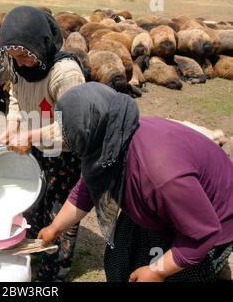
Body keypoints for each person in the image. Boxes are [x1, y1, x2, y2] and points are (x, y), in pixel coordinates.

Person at [39, 82, 233, 282]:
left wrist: (158, 271)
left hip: (208, 220)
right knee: (121, 261)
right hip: (168, 203)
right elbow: (87, 188)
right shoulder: (114, 138)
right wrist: (55, 228)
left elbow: (202, 233)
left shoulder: (160, 176)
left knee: (178, 276)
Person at [0, 5, 85, 281]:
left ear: (40, 45)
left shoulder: (65, 74)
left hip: (65, 152)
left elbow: (75, 125)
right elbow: (14, 95)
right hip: (36, 149)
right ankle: (34, 248)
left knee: (60, 211)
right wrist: (13, 125)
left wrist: (30, 135)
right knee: (34, 200)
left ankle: (56, 268)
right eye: (14, 56)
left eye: (25, 56)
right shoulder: (17, 64)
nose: (19, 63)